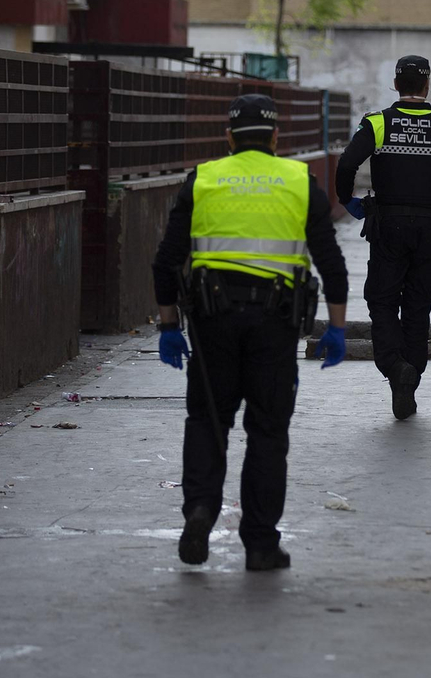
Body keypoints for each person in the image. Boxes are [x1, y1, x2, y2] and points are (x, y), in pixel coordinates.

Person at [151, 93, 349, 572]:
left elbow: (165, 261)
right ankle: (260, 544)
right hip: (275, 325)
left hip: (211, 321)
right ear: (276, 137)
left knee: (207, 420)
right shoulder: (300, 181)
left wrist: (169, 326)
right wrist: (337, 329)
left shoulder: (203, 179)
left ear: (228, 137)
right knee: (267, 431)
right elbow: (332, 263)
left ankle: (200, 508)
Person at [335, 55, 431, 421]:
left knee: (382, 302)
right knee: (418, 308)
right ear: (427, 85)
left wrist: (347, 200)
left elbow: (346, 163)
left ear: (397, 85)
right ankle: (410, 374)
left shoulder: (377, 123)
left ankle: (394, 366)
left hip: (388, 229)